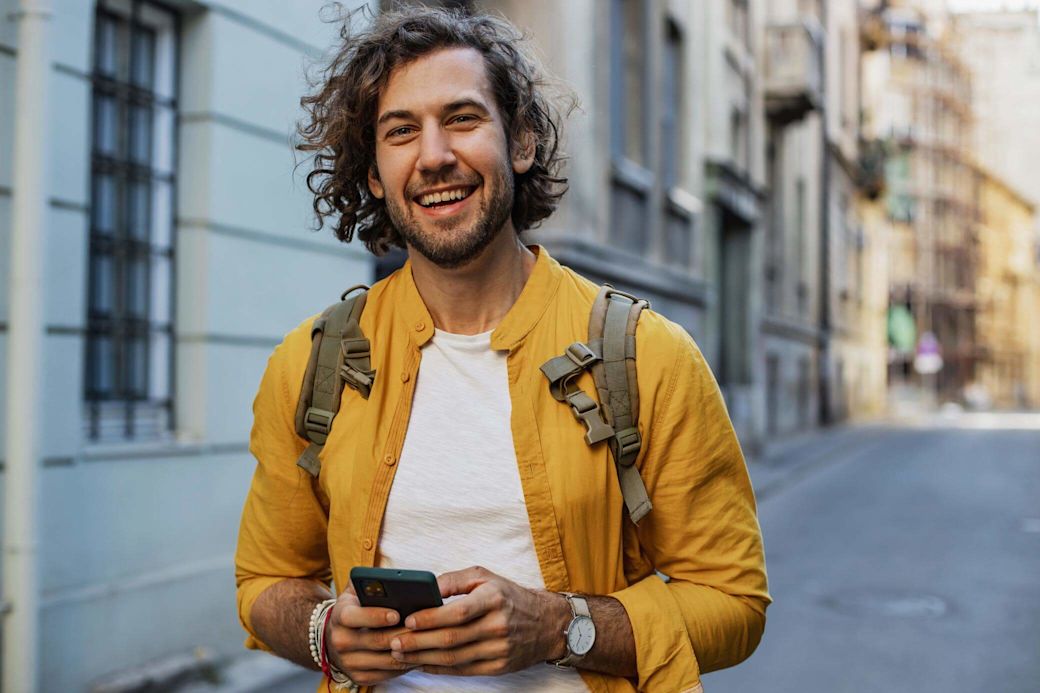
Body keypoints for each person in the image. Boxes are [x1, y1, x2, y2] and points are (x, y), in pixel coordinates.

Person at [235, 7, 769, 692]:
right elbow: (264, 581)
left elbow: (735, 601)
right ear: (373, 173)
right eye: (401, 131)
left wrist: (560, 626)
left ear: (520, 142)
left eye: (461, 118)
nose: (433, 156)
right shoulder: (313, 363)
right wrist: (323, 631)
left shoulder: (646, 355)